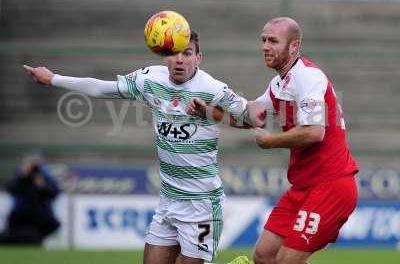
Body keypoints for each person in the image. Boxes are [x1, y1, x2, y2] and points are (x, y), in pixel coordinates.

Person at [23, 31, 264, 264]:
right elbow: (102, 88)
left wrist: (209, 112)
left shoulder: (212, 88)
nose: (180, 60)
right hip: (168, 200)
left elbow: (254, 119)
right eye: (174, 53)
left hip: (202, 204)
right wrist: (54, 79)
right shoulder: (149, 79)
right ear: (163, 55)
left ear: (198, 58)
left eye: (187, 53)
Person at [188, 17, 359, 264]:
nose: (265, 46)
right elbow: (251, 117)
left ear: (294, 46)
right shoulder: (279, 83)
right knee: (264, 256)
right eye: (263, 40)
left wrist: (271, 141)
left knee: (286, 261)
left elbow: (314, 132)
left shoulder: (309, 77)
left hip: (330, 185)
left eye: (273, 41)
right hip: (304, 186)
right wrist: (209, 111)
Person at [0, 155, 60, 245]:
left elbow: (54, 193)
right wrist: (23, 177)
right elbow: (11, 188)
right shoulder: (21, 177)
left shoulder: (45, 177)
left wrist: (43, 186)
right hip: (20, 216)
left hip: (41, 217)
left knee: (33, 237)